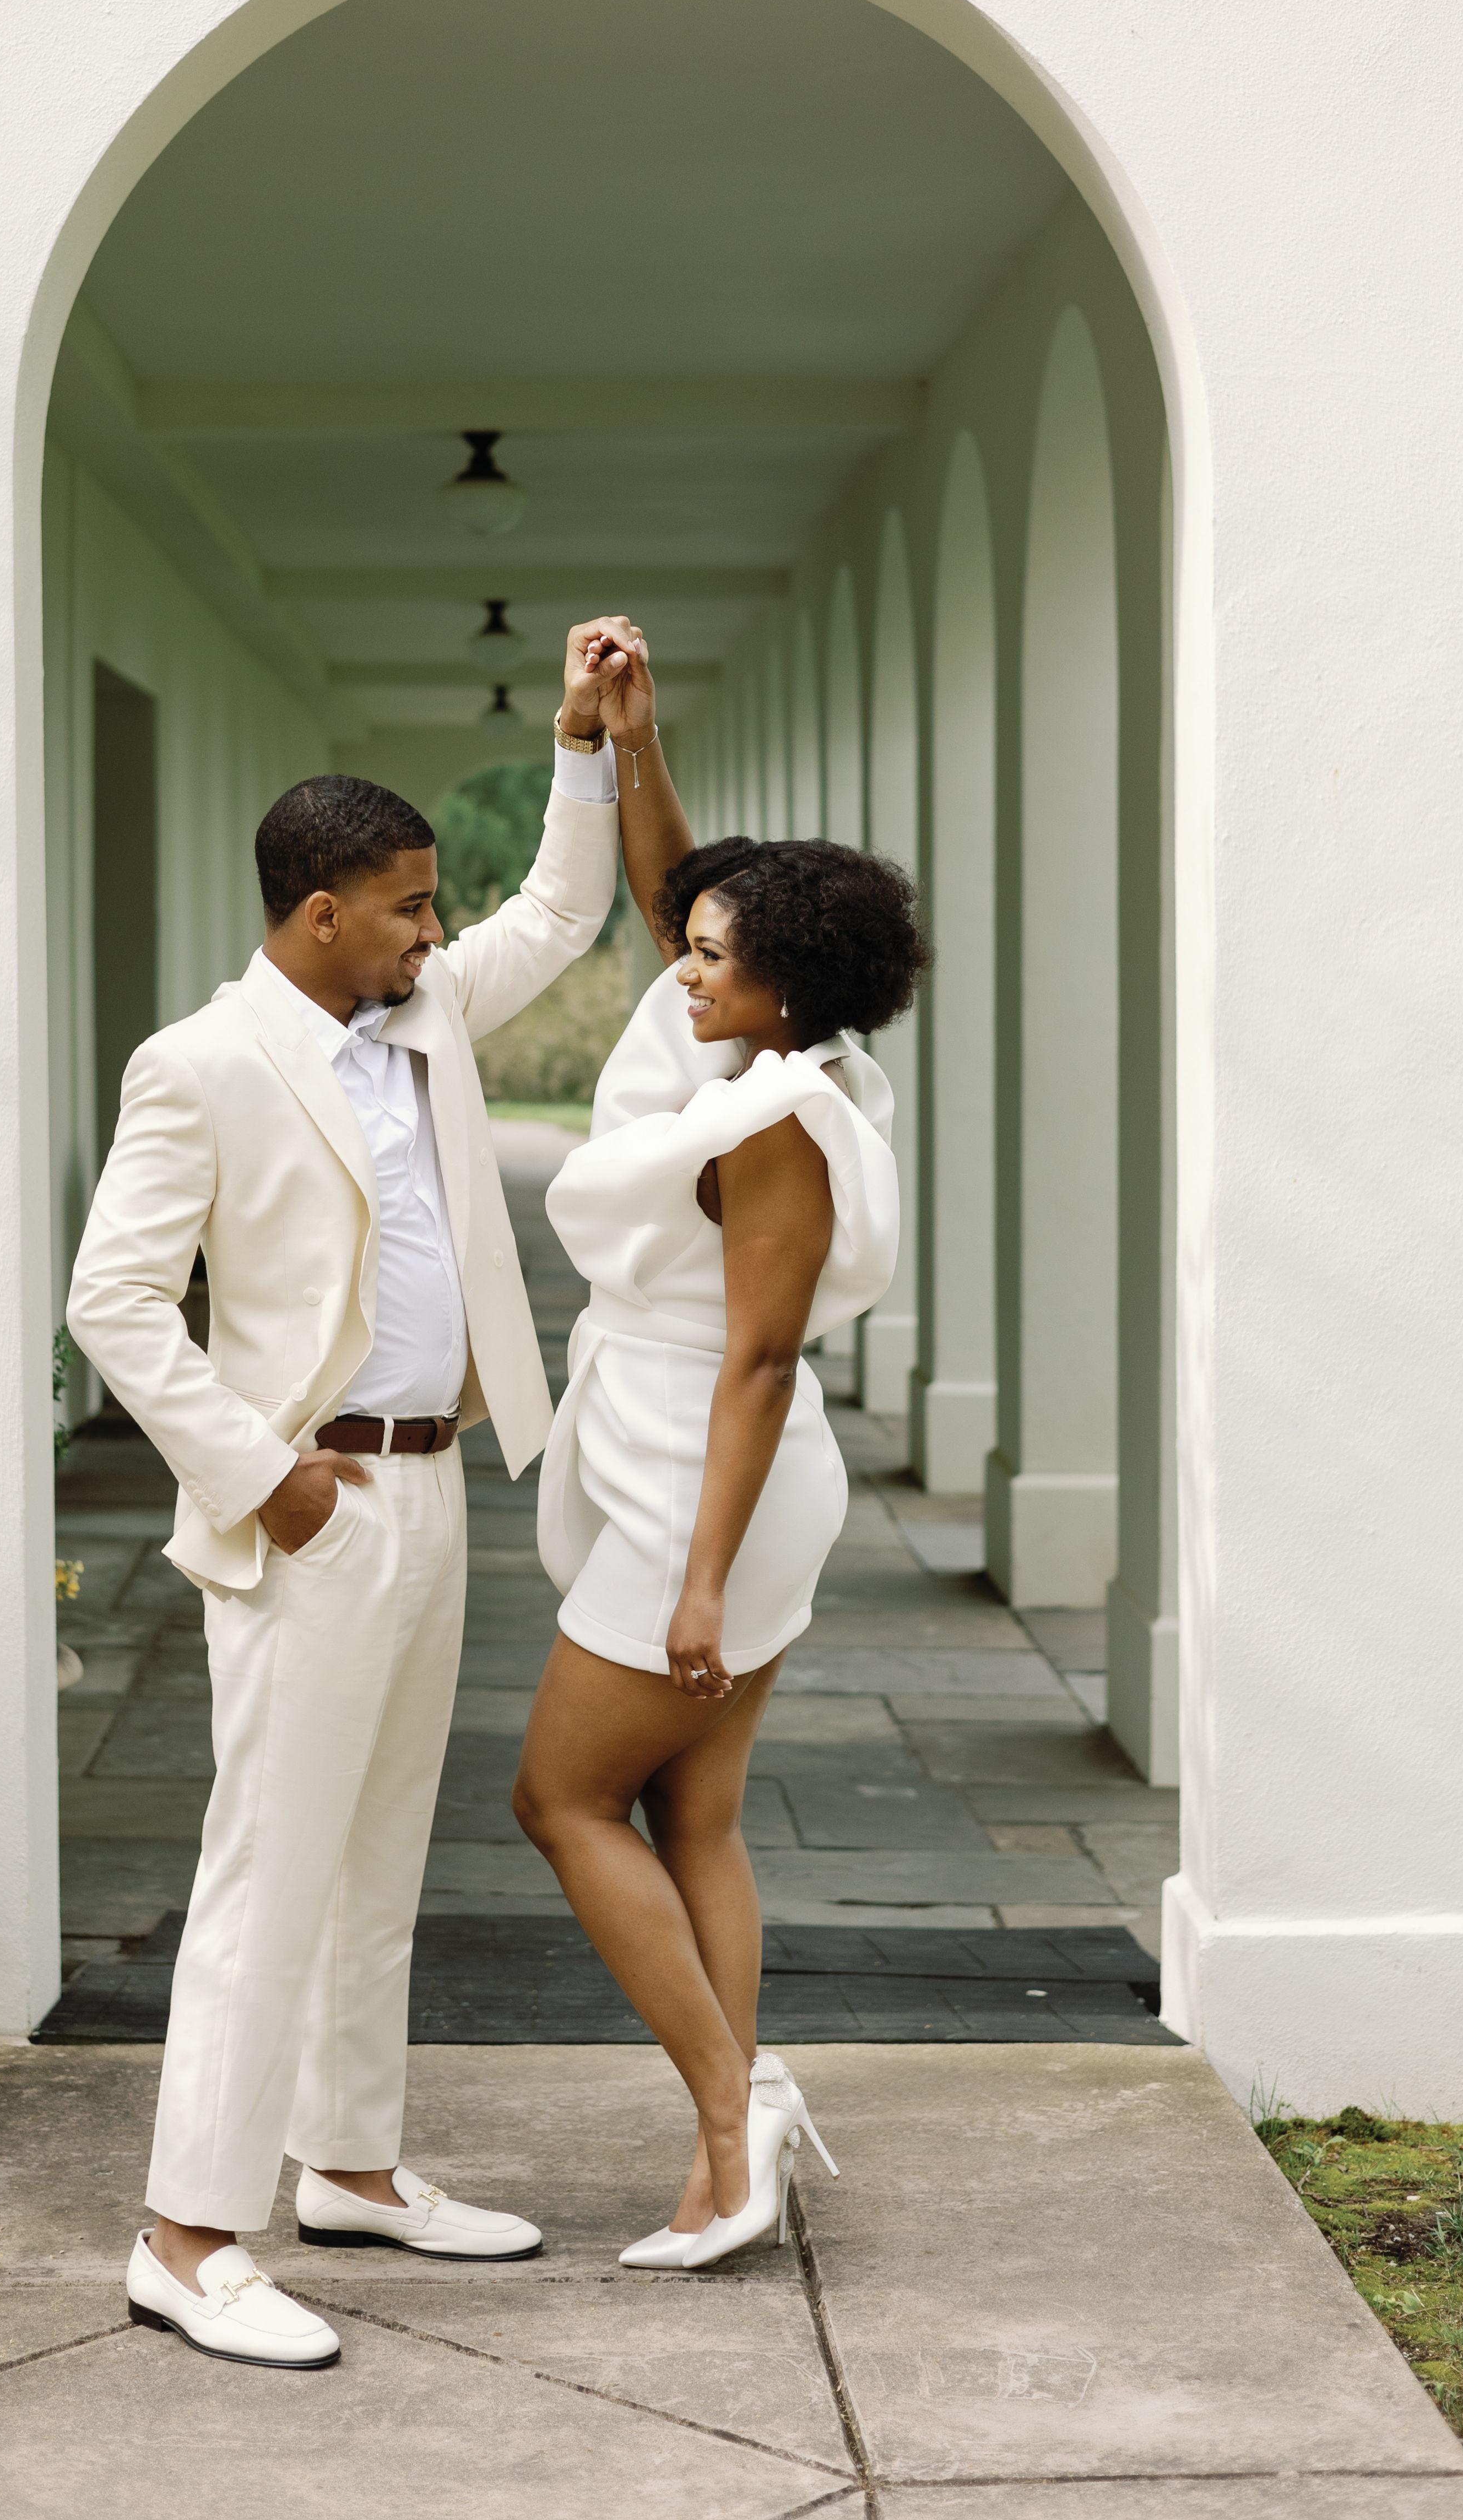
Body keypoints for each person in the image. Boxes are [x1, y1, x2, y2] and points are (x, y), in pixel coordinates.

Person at [66, 616, 644, 2370]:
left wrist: (585, 742)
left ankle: (351, 2163)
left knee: (381, 1851)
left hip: (431, 1488)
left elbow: (560, 909)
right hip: (309, 1512)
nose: (434, 930)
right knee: (268, 1869)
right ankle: (185, 2235)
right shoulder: (200, 1062)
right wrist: (265, 1478)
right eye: (406, 906)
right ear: (320, 914)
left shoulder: (431, 1013)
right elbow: (113, 1300)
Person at [511, 646, 928, 2270]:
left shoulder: (771, 1136)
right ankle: (728, 2145)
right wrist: (636, 738)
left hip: (713, 1477)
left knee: (561, 1796)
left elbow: (756, 1362)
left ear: (785, 985)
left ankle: (729, 2114)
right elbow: (672, 887)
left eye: (709, 957)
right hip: (686, 1449)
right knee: (695, 1812)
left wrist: (698, 1583)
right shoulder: (757, 1053)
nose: (680, 961)